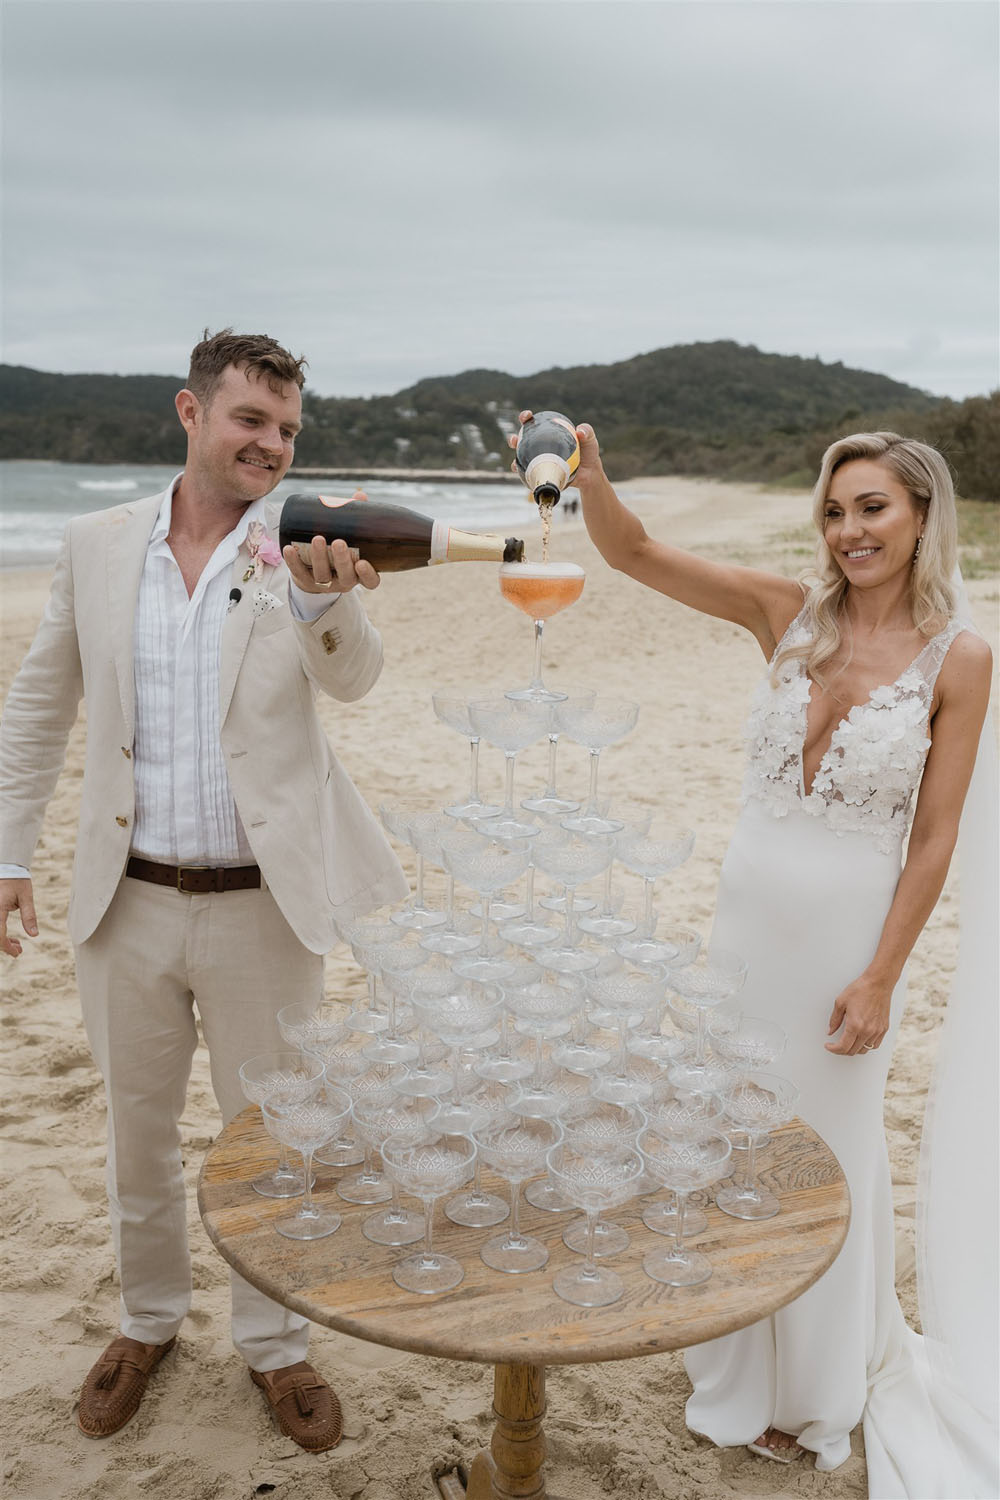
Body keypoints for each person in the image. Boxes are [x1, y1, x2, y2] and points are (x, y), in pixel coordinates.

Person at [513, 415, 997, 1496]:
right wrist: (591, 474)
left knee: (823, 1159)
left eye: (871, 507)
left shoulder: (959, 661)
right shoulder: (784, 614)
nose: (849, 531)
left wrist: (878, 977)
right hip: (741, 937)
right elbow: (633, 553)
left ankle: (818, 1390)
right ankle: (734, 1353)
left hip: (843, 950)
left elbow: (935, 838)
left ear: (922, 515)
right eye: (833, 511)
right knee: (732, 1140)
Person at [0, 330, 407, 1451]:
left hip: (264, 907)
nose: (271, 445)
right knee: (136, 1132)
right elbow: (38, 707)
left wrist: (331, 606)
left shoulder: (306, 545)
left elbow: (358, 681)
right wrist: (8, 853)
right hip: (121, 901)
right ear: (191, 412)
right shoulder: (92, 544)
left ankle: (275, 1348)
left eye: (287, 430)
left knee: (269, 1140)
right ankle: (146, 1321)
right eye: (251, 421)